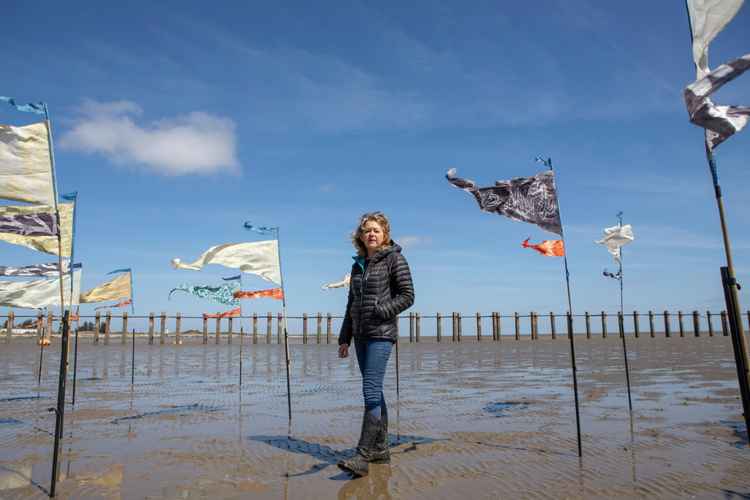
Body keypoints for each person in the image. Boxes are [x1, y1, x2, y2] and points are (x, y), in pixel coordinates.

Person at [337, 211, 415, 477]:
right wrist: (344, 338)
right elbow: (350, 304)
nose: (371, 234)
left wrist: (382, 310)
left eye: (376, 230)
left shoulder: (395, 259)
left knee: (370, 390)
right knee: (375, 392)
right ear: (360, 235)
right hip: (360, 335)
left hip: (381, 333)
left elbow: (408, 296)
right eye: (367, 230)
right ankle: (380, 449)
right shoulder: (357, 264)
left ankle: (363, 454)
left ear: (385, 235)